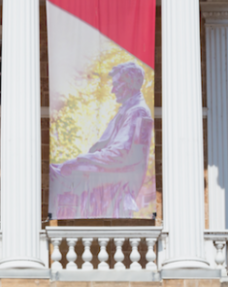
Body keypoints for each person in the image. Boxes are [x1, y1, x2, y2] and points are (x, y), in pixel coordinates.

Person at [49, 61, 153, 219]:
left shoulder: (137, 112)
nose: (112, 90)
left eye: (116, 84)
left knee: (56, 174)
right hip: (109, 178)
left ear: (131, 84)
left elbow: (120, 154)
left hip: (114, 183)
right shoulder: (129, 110)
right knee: (54, 171)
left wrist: (79, 161)